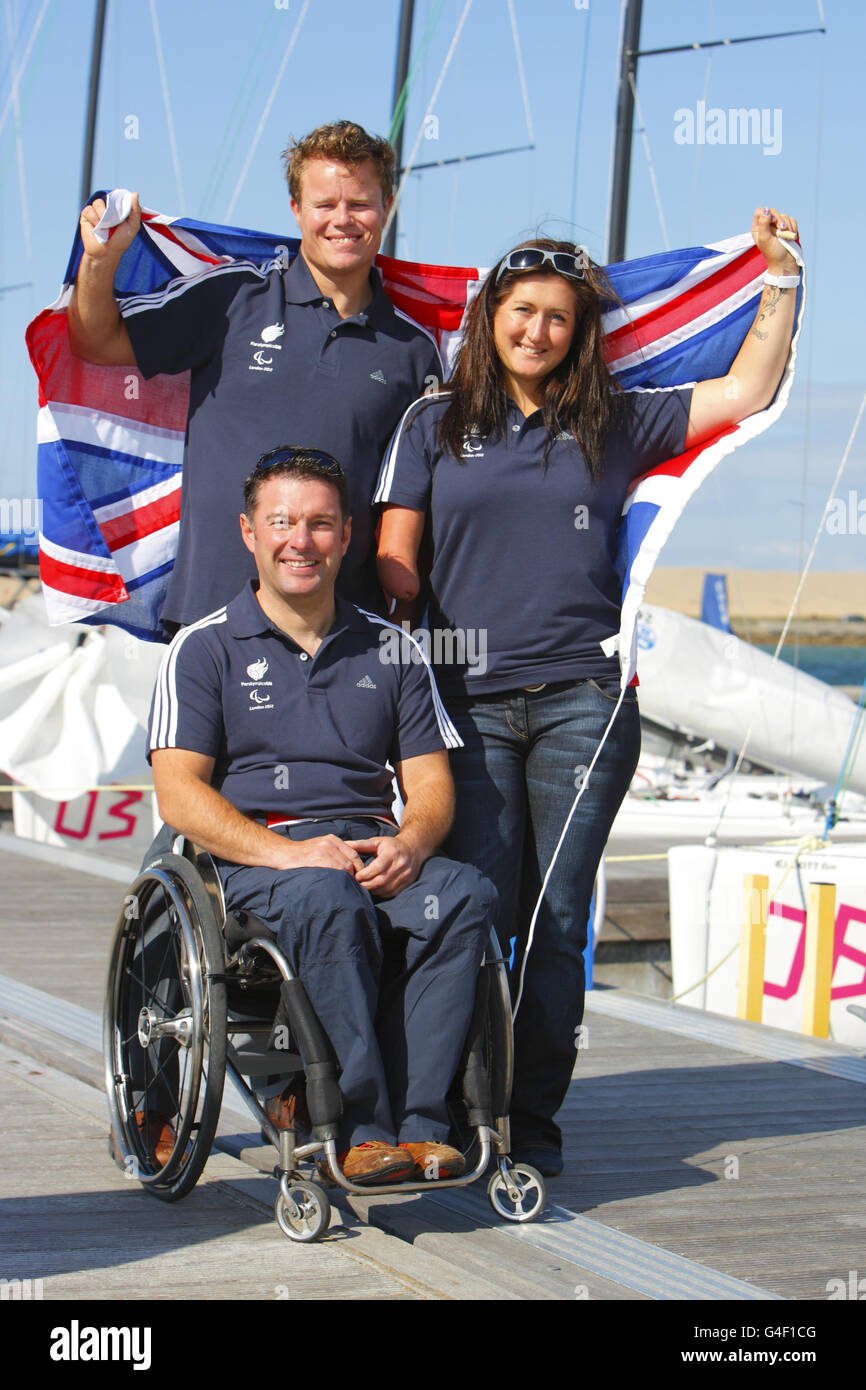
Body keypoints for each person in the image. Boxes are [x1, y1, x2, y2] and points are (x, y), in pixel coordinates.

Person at [373, 208, 801, 1176]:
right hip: (465, 699)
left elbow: (743, 387)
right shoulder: (431, 421)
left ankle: (529, 1119)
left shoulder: (611, 417)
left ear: (577, 331)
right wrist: (389, 609)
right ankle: (445, 1107)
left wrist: (777, 277)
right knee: (472, 904)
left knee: (557, 919)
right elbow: (395, 549)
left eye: (557, 317)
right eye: (521, 310)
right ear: (489, 317)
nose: (536, 330)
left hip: (582, 702)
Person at [148, 446, 495, 1185]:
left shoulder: (393, 648)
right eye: (282, 522)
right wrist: (289, 855)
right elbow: (179, 795)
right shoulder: (203, 649)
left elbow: (431, 788)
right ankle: (359, 1127)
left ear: (347, 537)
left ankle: (425, 1126)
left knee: (463, 892)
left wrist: (410, 842)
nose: (299, 541)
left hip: (368, 854)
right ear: (249, 532)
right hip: (256, 863)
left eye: (320, 524)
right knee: (328, 895)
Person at [67, 120, 442, 633]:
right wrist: (101, 258)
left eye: (359, 204)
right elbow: (95, 343)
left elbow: (416, 496)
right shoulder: (230, 300)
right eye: (324, 205)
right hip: (210, 619)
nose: (342, 220)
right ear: (296, 210)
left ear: (387, 206)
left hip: (343, 634)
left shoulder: (414, 350)